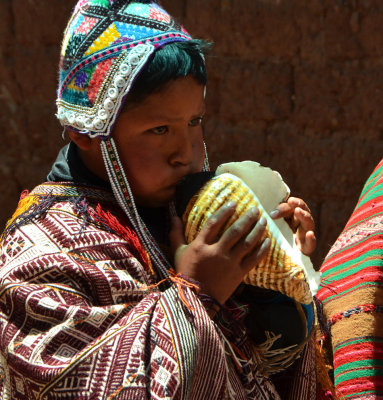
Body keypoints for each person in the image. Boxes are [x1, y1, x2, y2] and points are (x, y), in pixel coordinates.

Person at [0, 1, 323, 398]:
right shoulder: (39, 257)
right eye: (159, 129)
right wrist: (198, 293)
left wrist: (280, 276)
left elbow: (260, 366)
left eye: (195, 122)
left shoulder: (184, 217)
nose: (185, 152)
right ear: (85, 132)